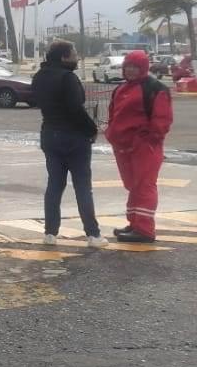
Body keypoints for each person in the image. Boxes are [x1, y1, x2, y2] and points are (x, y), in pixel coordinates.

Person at [31, 40, 108, 247]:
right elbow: (76, 110)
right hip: (73, 138)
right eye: (74, 54)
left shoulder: (39, 77)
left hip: (49, 134)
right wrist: (91, 130)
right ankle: (93, 235)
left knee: (55, 185)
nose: (77, 57)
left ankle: (50, 233)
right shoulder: (68, 78)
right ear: (64, 57)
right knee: (82, 186)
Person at [105, 50, 174, 243]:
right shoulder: (121, 88)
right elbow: (113, 113)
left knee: (144, 185)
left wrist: (148, 138)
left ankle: (144, 230)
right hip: (123, 146)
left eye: (135, 67)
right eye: (128, 66)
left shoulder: (155, 88)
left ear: (143, 67)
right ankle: (135, 223)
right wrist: (111, 133)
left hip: (144, 147)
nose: (130, 70)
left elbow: (162, 119)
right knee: (133, 186)